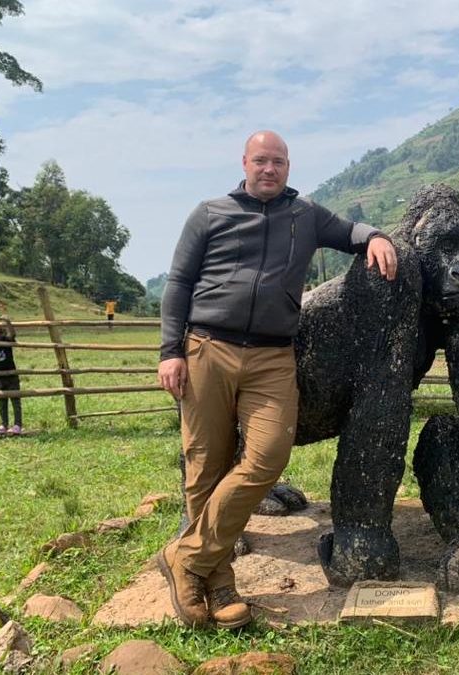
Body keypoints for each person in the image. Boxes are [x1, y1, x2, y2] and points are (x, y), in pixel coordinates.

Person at [156, 130, 398, 629]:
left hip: (271, 356)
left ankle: (185, 555)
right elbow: (178, 282)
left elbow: (351, 231)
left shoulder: (305, 215)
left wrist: (376, 237)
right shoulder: (210, 213)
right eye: (261, 161)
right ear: (244, 162)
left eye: (279, 162)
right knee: (206, 467)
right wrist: (170, 351)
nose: (270, 169)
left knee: (267, 455)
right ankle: (217, 584)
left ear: (289, 167)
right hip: (207, 348)